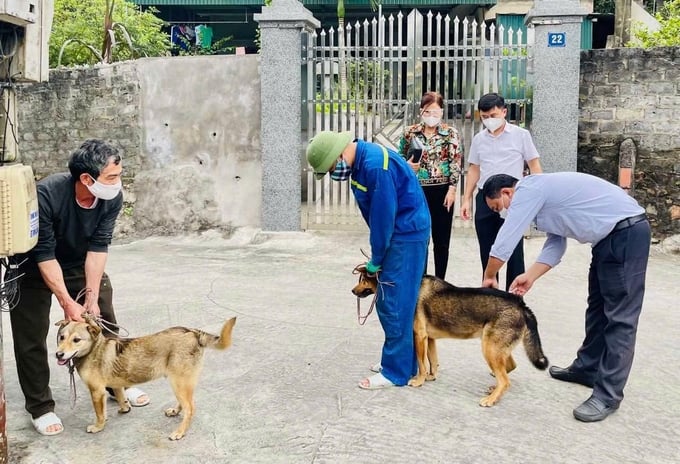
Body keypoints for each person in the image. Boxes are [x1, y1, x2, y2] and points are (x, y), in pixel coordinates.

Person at [480, 172, 650, 422]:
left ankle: (608, 395)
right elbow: (556, 245)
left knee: (620, 320)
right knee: (597, 310)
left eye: (498, 206)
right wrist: (531, 276)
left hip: (626, 233)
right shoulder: (543, 199)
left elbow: (507, 238)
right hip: (607, 240)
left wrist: (490, 276)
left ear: (507, 192)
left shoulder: (528, 190)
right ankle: (587, 369)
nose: (501, 212)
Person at [10, 139, 150, 436]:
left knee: (105, 321)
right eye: (111, 176)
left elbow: (99, 246)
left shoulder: (111, 197)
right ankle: (40, 407)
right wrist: (66, 301)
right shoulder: (47, 194)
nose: (118, 182)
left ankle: (117, 385)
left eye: (119, 175)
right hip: (33, 265)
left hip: (76, 261)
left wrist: (91, 294)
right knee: (30, 337)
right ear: (86, 179)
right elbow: (44, 254)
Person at [306, 131, 431, 390]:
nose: (333, 173)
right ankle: (402, 362)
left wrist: (376, 258)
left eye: (330, 168)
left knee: (393, 303)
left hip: (404, 236)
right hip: (402, 233)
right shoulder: (363, 162)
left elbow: (383, 219)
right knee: (399, 302)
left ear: (338, 155)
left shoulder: (375, 168)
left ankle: (395, 372)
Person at [460, 92, 542, 291]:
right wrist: (466, 198)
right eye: (485, 117)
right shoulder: (479, 139)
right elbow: (474, 169)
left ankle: (514, 295)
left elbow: (534, 165)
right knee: (487, 248)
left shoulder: (521, 135)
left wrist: (539, 195)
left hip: (512, 198)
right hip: (486, 197)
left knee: (513, 248)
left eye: (494, 115)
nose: (490, 120)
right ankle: (490, 291)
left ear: (504, 112)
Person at [398, 91, 462, 280]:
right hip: (417, 190)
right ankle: (422, 279)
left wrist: (452, 189)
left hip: (442, 191)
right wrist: (409, 166)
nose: (432, 117)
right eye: (428, 112)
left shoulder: (450, 133)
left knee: (442, 241)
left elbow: (455, 162)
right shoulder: (409, 133)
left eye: (436, 113)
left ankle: (440, 281)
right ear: (421, 111)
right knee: (421, 237)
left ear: (441, 112)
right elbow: (399, 159)